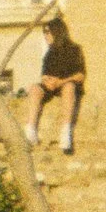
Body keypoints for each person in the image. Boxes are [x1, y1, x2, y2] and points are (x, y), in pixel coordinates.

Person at [23, 17, 86, 154]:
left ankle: (65, 132)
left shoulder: (74, 50)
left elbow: (80, 75)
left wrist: (60, 82)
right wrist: (49, 82)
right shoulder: (49, 54)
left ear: (57, 32)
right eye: (44, 32)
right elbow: (44, 75)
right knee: (34, 89)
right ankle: (31, 130)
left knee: (69, 86)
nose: (45, 35)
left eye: (47, 31)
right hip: (52, 85)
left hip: (67, 84)